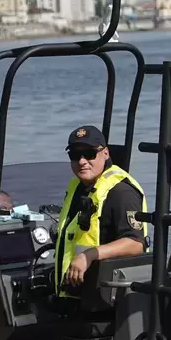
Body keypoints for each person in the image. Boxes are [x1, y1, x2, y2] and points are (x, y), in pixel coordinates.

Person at [54, 125, 148, 298]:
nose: (82, 161)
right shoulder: (78, 186)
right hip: (76, 295)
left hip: (105, 301)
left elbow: (136, 244)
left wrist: (88, 256)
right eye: (75, 155)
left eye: (89, 154)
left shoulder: (121, 192)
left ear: (105, 153)